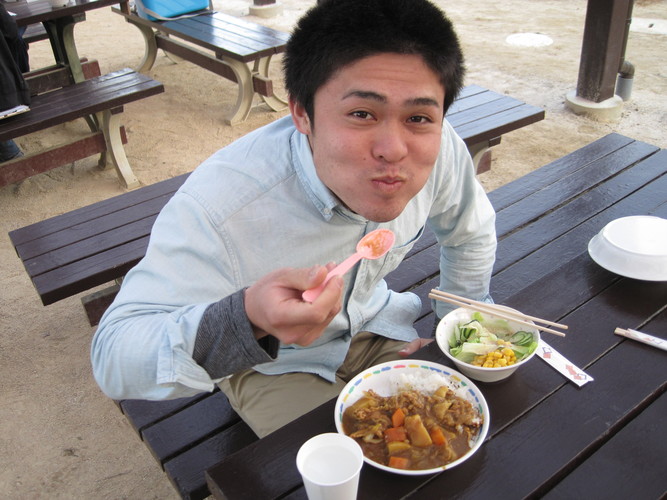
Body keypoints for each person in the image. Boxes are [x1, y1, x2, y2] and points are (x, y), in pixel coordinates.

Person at [91, 0, 497, 438]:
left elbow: (469, 233)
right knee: (341, 461)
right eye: (362, 114)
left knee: (456, 430)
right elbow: (114, 355)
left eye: (418, 117)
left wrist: (456, 333)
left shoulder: (441, 148)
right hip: (274, 364)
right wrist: (249, 318)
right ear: (301, 112)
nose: (394, 150)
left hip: (378, 325)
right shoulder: (222, 206)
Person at [0, 3, 30, 162]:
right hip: (10, 95)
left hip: (7, 100)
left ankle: (10, 153)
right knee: (17, 39)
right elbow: (11, 31)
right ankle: (10, 153)